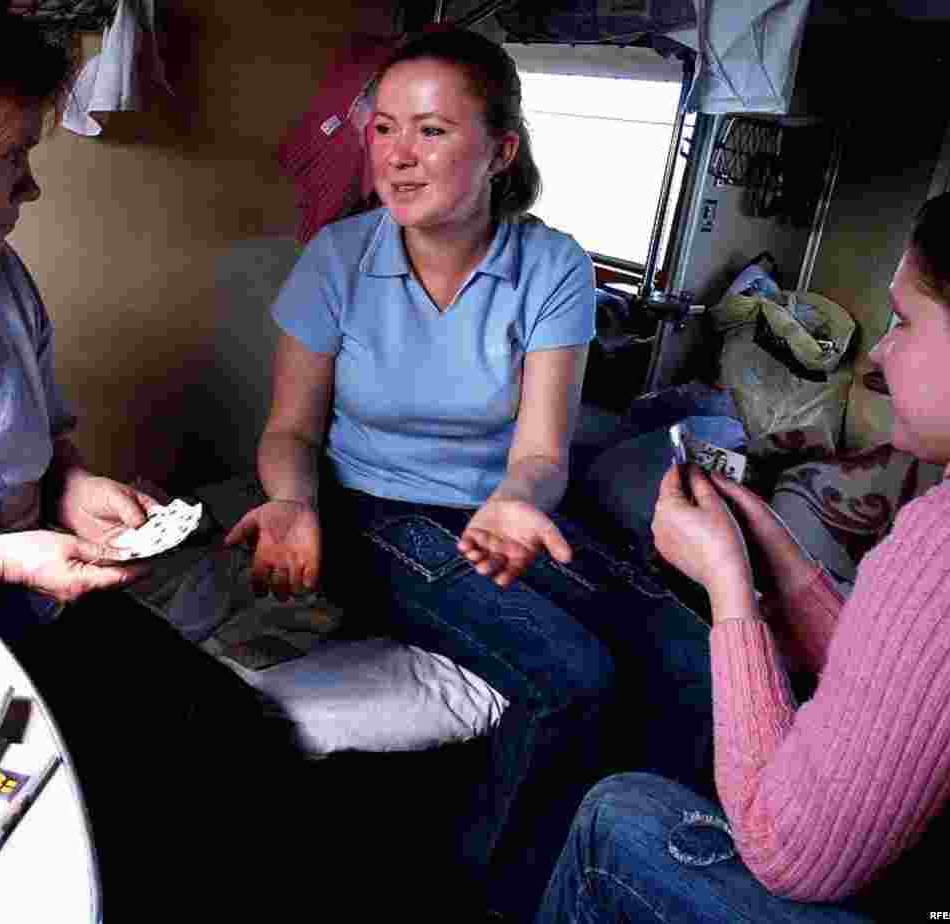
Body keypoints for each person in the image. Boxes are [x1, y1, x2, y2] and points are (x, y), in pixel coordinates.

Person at [227, 27, 714, 921]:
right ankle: (500, 899)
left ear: (501, 150)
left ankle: (676, 882)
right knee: (573, 677)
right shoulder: (338, 261)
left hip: (499, 511)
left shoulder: (553, 265)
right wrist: (291, 503)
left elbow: (538, 454)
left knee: (690, 659)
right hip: (374, 512)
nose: (397, 158)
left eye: (431, 131)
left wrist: (518, 501)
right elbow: (291, 429)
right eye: (382, 130)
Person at [535, 188, 950, 922]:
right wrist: (783, 561)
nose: (882, 354)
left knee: (619, 819)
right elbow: (916, 689)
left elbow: (788, 853)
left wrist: (729, 588)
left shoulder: (949, 539)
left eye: (905, 321)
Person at [0, 11, 291, 916]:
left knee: (234, 734)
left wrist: (75, 484)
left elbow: (38, 437)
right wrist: (15, 556)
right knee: (93, 830)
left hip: (38, 592)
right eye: (12, 157)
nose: (35, 186)